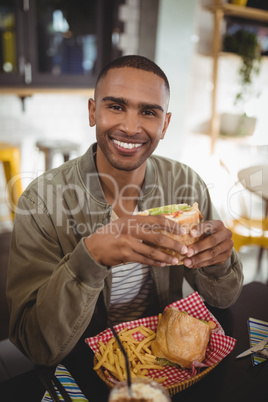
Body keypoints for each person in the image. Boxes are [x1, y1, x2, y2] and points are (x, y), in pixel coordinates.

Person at [6, 55, 243, 367]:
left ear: (165, 124)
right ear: (93, 112)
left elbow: (223, 299)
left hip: (163, 364)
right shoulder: (41, 201)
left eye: (148, 112)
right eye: (116, 106)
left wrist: (218, 265)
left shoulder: (185, 184)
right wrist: (90, 258)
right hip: (80, 366)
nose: (131, 127)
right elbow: (33, 343)